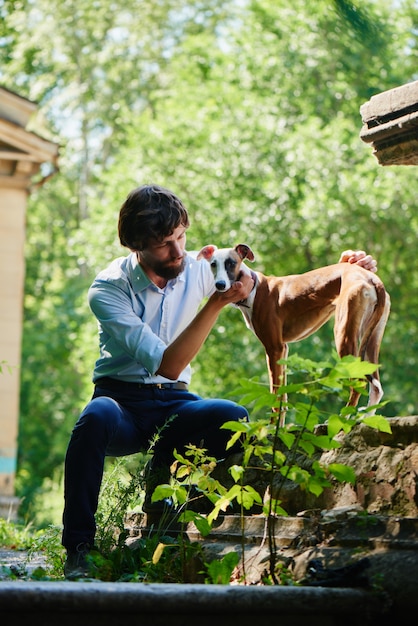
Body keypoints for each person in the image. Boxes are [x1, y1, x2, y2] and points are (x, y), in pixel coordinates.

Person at [62, 183, 378, 579]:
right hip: (121, 405)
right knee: (95, 416)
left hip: (175, 406)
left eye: (181, 237)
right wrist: (215, 303)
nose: (178, 252)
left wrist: (344, 269)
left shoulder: (202, 264)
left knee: (232, 415)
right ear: (135, 245)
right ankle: (78, 550)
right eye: (164, 244)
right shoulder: (108, 288)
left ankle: (172, 524)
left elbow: (274, 286)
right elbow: (168, 364)